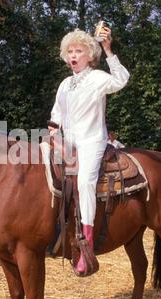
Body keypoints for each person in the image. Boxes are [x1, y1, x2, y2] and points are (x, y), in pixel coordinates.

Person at [48, 27, 130, 274]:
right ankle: (55, 232)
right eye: (70, 51)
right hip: (67, 143)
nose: (73, 55)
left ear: (89, 55)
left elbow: (121, 79)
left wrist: (108, 49)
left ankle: (87, 245)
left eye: (79, 50)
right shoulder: (64, 84)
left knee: (84, 182)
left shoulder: (97, 77)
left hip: (92, 142)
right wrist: (54, 135)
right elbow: (56, 114)